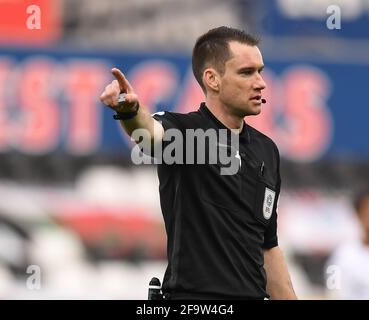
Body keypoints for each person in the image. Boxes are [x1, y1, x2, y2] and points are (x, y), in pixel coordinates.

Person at [100, 26, 297, 300]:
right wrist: (129, 111)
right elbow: (149, 135)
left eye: (260, 71)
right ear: (212, 79)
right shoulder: (186, 134)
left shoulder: (267, 151)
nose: (260, 82)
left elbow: (267, 246)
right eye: (246, 72)